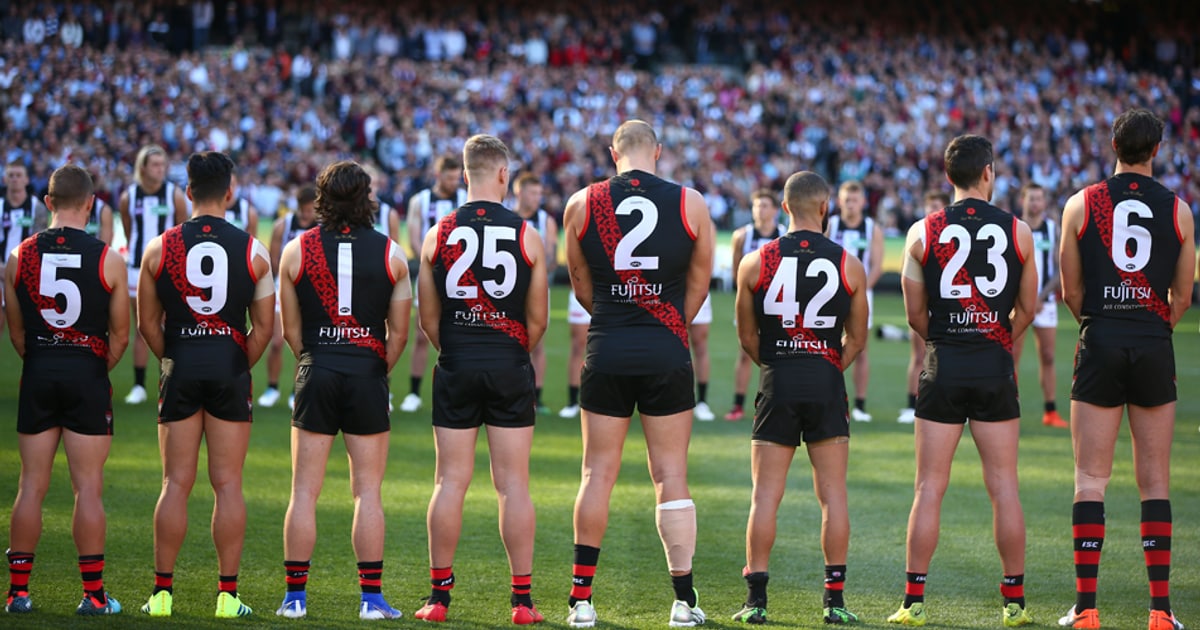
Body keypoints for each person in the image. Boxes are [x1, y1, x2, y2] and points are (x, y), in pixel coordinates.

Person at [561, 120, 714, 628]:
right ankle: (683, 601)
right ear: (659, 152)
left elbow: (582, 284)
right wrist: (666, 320)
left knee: (595, 473)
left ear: (613, 153)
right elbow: (699, 282)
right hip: (665, 346)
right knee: (671, 474)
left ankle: (581, 600)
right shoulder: (690, 202)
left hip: (606, 344)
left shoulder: (582, 203)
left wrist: (614, 312)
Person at [888, 135, 1038, 627]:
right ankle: (1014, 602)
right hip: (994, 365)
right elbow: (1028, 309)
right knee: (1004, 486)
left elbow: (913, 314)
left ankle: (913, 603)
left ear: (948, 176)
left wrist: (949, 340)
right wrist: (995, 339)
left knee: (929, 487)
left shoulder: (921, 230)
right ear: (989, 173)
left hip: (944, 365)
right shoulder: (1019, 231)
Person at [1056, 109, 1194, 630]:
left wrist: (1100, 324)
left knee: (1090, 479)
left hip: (1101, 340)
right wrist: (1154, 328)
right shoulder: (1179, 210)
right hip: (1153, 342)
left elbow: (1070, 290)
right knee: (1155, 482)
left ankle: (1087, 609)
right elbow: (1182, 295)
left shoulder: (1080, 203)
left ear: (1112, 143)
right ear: (1156, 150)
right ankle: (1160, 612)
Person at [415, 135, 549, 624]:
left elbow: (427, 320)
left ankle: (438, 598)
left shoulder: (437, 232)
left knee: (449, 481)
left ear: (466, 173)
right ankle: (522, 602)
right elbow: (539, 321)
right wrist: (509, 350)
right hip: (509, 363)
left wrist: (456, 349)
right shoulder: (527, 234)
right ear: (502, 175)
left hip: (456, 363)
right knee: (513, 485)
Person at [136, 151, 274, 619]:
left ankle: (161, 596)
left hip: (182, 365)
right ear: (230, 193)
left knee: (175, 482)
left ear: (188, 192)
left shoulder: (158, 247)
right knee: (228, 484)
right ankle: (227, 597)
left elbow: (146, 324)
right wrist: (236, 361)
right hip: (229, 366)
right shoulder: (253, 249)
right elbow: (265, 328)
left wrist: (175, 357)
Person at [275, 161, 411, 621]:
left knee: (303, 491)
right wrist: (372, 367)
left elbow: (290, 332)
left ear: (322, 198)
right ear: (366, 197)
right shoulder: (392, 253)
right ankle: (371, 601)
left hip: (317, 371)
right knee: (367, 492)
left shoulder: (296, 249)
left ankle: (295, 598)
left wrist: (317, 360)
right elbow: (400, 335)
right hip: (367, 373)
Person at [732, 171, 868, 625]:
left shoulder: (755, 261)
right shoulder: (849, 262)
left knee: (764, 496)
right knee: (833, 497)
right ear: (826, 208)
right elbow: (858, 338)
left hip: (778, 380)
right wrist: (825, 366)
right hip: (826, 380)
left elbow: (747, 337)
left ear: (785, 208)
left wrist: (779, 365)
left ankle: (756, 603)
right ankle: (835, 603)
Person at [4, 165, 129, 615]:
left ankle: (17, 593)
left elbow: (16, 334)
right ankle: (94, 596)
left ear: (47, 203)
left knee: (31, 484)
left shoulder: (17, 257)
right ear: (91, 204)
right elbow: (120, 337)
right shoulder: (108, 258)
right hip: (87, 377)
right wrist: (91, 366)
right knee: (88, 489)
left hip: (38, 372)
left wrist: (44, 358)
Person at [119, 145, 189, 405]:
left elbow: (182, 232)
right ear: (143, 167)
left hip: (169, 270)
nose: (160, 169)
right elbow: (129, 231)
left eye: (163, 164)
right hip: (136, 269)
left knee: (171, 325)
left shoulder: (174, 195)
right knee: (143, 326)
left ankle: (169, 379)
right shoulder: (129, 196)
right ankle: (139, 385)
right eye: (155, 164)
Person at [399, 155, 467, 413]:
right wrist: (433, 264)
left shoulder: (464, 199)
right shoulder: (420, 201)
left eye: (456, 176)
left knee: (458, 331)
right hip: (432, 272)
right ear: (438, 176)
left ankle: (455, 387)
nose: (454, 181)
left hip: (461, 277)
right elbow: (415, 237)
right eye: (449, 177)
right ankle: (414, 393)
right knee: (421, 333)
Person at [725, 189, 785, 422]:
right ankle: (738, 405)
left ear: (775, 210)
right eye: (756, 205)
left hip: (780, 304)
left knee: (779, 353)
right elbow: (735, 270)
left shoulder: (784, 235)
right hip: (751, 302)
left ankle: (774, 402)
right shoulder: (742, 236)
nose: (760, 210)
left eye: (764, 206)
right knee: (745, 352)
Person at [1011, 183, 1068, 428]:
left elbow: (1059, 270)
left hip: (1044, 303)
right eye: (1030, 198)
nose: (1035, 203)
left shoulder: (1053, 230)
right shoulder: (1013, 227)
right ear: (1022, 200)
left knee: (1047, 355)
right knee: (1012, 357)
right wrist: (1024, 300)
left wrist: (1040, 297)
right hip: (1018, 304)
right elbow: (1009, 269)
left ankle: (1050, 411)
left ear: (1044, 203)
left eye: (1039, 198)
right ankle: (1009, 408)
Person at [826, 180, 883, 422]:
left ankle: (859, 404)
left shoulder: (871, 228)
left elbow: (877, 266)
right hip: (830, 294)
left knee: (860, 348)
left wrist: (860, 291)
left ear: (863, 202)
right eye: (846, 200)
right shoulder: (831, 225)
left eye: (855, 199)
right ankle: (829, 398)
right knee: (827, 346)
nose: (850, 204)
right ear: (839, 201)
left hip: (860, 295)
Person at [257, 186, 318, 409]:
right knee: (276, 342)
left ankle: (296, 390)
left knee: (303, 344)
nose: (307, 215)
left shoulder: (321, 228)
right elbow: (274, 259)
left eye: (311, 210)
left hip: (310, 291)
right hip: (283, 287)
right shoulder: (282, 226)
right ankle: (272, 387)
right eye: (304, 211)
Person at [897, 190, 949, 424]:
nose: (931, 212)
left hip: (944, 305)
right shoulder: (918, 233)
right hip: (923, 303)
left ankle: (949, 401)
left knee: (947, 355)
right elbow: (906, 269)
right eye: (929, 207)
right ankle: (911, 403)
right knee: (919, 355)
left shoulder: (952, 236)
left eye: (936, 207)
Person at [512, 171, 557, 414]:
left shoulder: (544, 220)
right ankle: (513, 391)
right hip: (509, 291)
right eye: (533, 192)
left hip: (536, 290)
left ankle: (535, 397)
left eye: (540, 193)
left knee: (537, 342)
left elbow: (550, 257)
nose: (537, 197)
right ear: (519, 192)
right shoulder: (507, 217)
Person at [1, 160, 50, 326]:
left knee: (27, 329)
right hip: (0, 271)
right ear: (4, 179)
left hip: (27, 274)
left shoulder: (37, 208)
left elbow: (40, 244)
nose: (14, 179)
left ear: (27, 179)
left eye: (18, 175)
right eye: (11, 175)